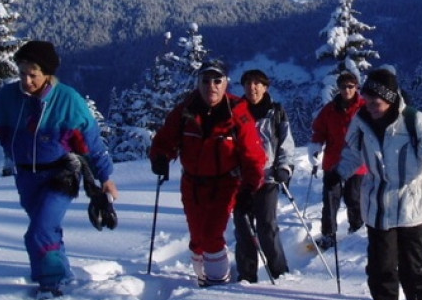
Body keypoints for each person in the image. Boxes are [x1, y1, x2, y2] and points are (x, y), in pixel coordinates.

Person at [0, 40, 119, 299]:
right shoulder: (9, 98)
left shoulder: (67, 102)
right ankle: (64, 273)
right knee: (47, 228)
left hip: (61, 174)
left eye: (33, 75)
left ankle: (52, 284)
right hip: (27, 176)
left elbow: (92, 143)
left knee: (39, 231)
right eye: (22, 73)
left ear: (48, 74)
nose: (26, 81)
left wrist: (105, 178)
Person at [336, 67, 422, 300]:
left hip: (411, 204)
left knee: (413, 265)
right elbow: (352, 154)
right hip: (377, 204)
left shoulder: (414, 120)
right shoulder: (361, 121)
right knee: (381, 266)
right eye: (366, 101)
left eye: (375, 102)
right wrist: (338, 173)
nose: (369, 106)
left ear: (389, 99)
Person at [149, 59, 266, 287]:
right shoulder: (185, 111)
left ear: (225, 84)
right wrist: (160, 157)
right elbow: (166, 139)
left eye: (217, 80)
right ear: (198, 83)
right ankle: (202, 277)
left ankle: (216, 285)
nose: (211, 85)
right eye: (205, 80)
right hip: (191, 183)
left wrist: (250, 188)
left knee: (212, 235)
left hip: (225, 183)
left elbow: (254, 155)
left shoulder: (238, 113)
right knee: (197, 238)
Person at [233, 69, 295, 282]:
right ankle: (246, 276)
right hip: (242, 180)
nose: (253, 88)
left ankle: (280, 273)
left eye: (257, 84)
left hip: (268, 178)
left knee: (267, 225)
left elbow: (286, 143)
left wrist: (284, 168)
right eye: (248, 84)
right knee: (243, 228)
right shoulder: (236, 112)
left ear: (265, 87)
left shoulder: (276, 112)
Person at [308, 71, 367, 250]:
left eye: (350, 86)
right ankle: (328, 234)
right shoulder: (329, 110)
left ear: (356, 87)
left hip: (357, 163)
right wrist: (316, 145)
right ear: (338, 88)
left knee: (354, 198)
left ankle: (356, 229)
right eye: (343, 86)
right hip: (333, 162)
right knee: (330, 199)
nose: (347, 90)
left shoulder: (364, 108)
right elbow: (319, 130)